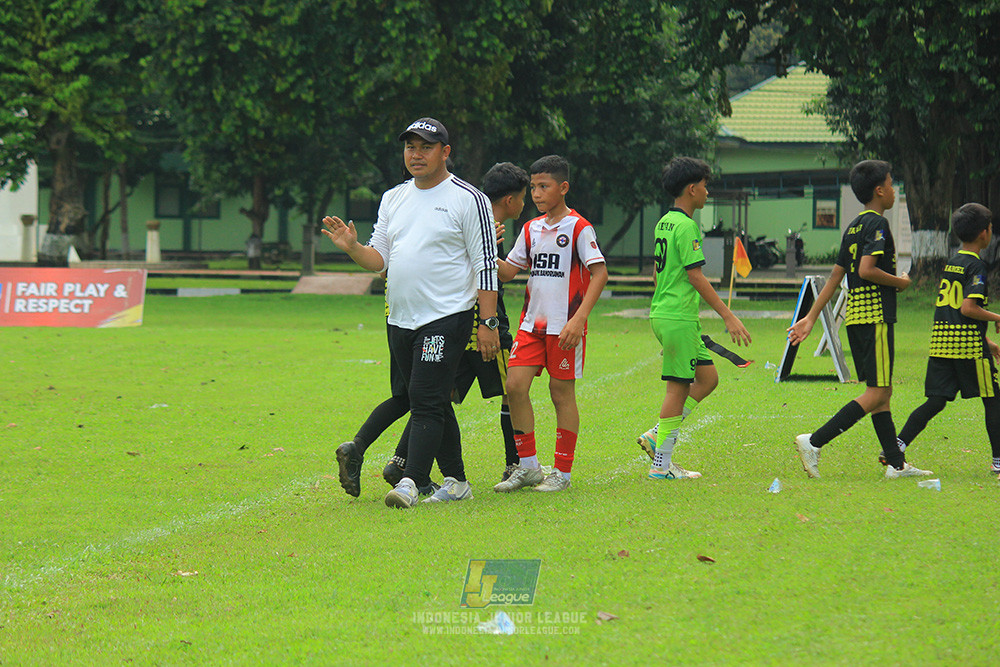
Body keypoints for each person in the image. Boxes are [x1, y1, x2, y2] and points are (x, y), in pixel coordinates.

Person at [322, 117, 499, 508]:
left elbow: (487, 264)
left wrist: (488, 323)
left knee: (423, 396)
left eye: (426, 147)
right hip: (400, 318)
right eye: (410, 147)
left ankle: (411, 480)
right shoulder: (394, 197)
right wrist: (352, 247)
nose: (416, 155)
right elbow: (378, 258)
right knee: (431, 398)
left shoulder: (469, 199)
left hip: (448, 315)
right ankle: (456, 481)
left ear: (445, 152)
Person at [380, 162, 530, 486]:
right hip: (479, 326)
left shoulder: (465, 210)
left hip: (450, 325)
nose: (526, 203)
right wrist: (488, 322)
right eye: (525, 196)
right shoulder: (481, 221)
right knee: (512, 391)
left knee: (436, 394)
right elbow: (493, 272)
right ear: (509, 199)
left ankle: (401, 461)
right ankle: (515, 463)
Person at [788, 159, 931, 479]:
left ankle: (896, 465)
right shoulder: (878, 225)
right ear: (880, 190)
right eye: (892, 184)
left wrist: (811, 318)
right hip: (875, 317)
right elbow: (866, 270)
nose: (895, 190)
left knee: (882, 393)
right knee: (877, 393)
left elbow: (836, 277)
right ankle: (814, 441)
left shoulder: (853, 226)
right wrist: (903, 282)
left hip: (857, 318)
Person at [493, 155, 609, 493]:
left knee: (561, 394)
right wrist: (482, 248)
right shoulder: (531, 228)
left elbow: (599, 273)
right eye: (533, 187)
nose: (537, 193)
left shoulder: (578, 227)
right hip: (532, 325)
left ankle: (562, 472)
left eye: (544, 186)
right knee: (514, 386)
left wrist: (579, 319)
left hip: (565, 326)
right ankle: (528, 467)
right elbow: (507, 272)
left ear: (563, 187)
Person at [644, 157, 751, 480]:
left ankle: (656, 436)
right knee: (677, 389)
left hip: (668, 314)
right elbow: (696, 276)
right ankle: (661, 465)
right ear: (692, 189)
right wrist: (728, 316)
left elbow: (656, 273)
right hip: (678, 318)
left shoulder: (665, 222)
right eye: (705, 186)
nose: (708, 192)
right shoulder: (688, 226)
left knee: (708, 379)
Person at [893, 203, 1000, 475]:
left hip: (943, 345)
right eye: (990, 228)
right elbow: (968, 309)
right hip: (968, 350)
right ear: (984, 234)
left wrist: (991, 345)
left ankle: (896, 447)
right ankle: (999, 462)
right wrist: (997, 318)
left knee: (936, 401)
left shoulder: (952, 263)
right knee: (993, 400)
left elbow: (955, 314)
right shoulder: (977, 266)